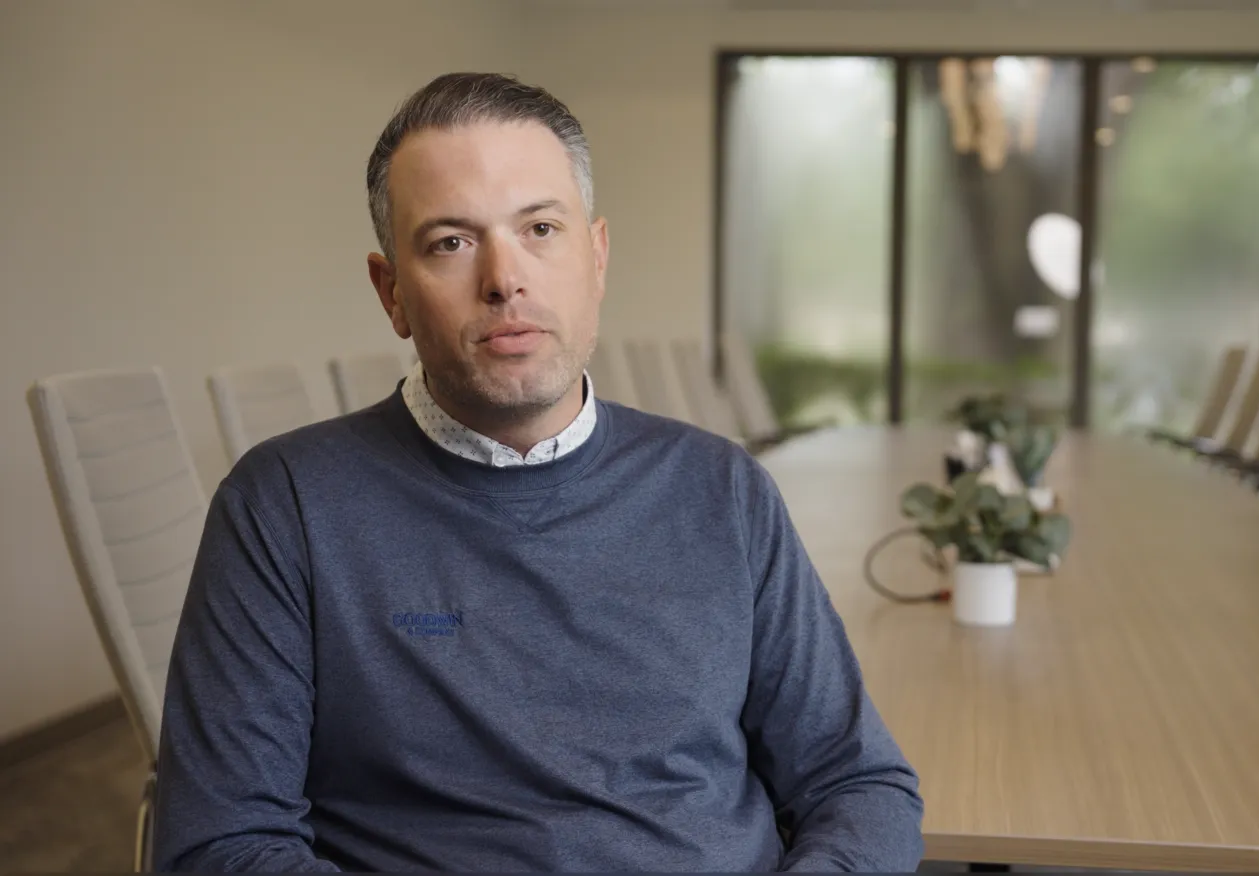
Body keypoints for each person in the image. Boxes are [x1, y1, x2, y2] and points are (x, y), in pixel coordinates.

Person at [151, 72, 923, 872]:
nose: (504, 279)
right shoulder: (285, 506)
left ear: (596, 257)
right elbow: (222, 846)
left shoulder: (723, 491)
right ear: (392, 295)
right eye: (450, 241)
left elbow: (856, 782)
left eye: (541, 229)